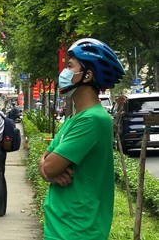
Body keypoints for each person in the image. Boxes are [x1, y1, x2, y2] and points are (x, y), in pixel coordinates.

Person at [39, 38, 125, 239]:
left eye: (70, 66)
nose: (64, 72)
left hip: (77, 229)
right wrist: (48, 168)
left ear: (87, 75)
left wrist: (49, 168)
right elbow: (45, 163)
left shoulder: (92, 120)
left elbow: (49, 166)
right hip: (61, 225)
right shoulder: (75, 118)